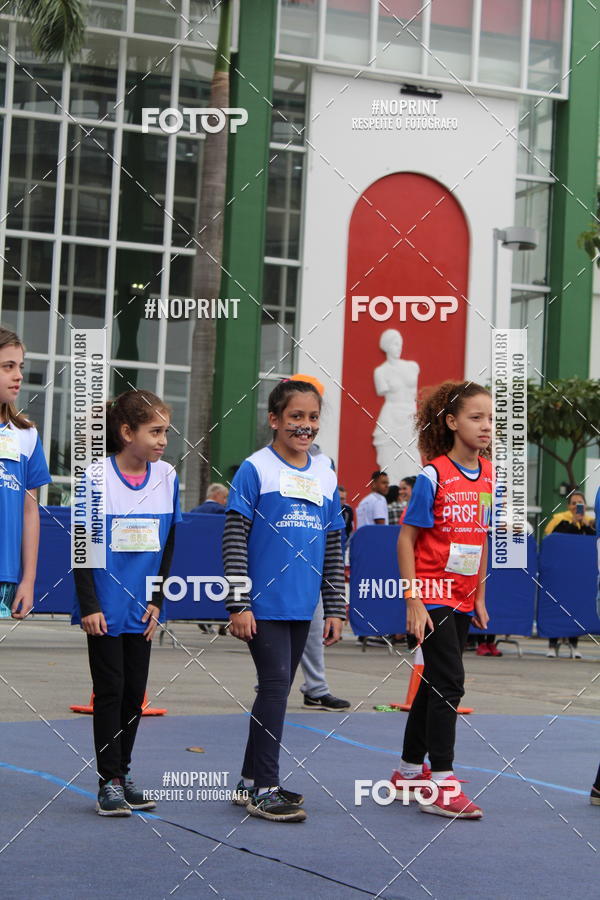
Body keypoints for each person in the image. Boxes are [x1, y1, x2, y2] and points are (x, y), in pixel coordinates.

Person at [223, 378, 346, 822]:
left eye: (312, 417)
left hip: (302, 604)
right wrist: (239, 603)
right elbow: (234, 536)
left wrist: (334, 607)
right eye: (295, 417)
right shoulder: (256, 469)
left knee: (277, 689)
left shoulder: (326, 474)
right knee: (275, 687)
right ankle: (265, 788)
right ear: (274, 420)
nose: (305, 426)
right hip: (263, 604)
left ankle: (248, 781)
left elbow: (334, 544)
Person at [73, 390, 182, 816]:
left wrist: (158, 600)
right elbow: (81, 547)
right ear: (126, 432)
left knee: (135, 693)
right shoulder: (95, 477)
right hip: (104, 604)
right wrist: (88, 605)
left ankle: (124, 773)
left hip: (143, 607)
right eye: (155, 432)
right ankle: (109, 781)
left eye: (165, 432)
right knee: (110, 690)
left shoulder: (167, 477)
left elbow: (169, 542)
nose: (162, 441)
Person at [391, 380, 493, 819]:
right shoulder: (434, 475)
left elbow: (481, 537)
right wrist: (413, 599)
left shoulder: (488, 475)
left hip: (464, 594)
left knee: (435, 680)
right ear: (452, 423)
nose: (486, 426)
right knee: (450, 681)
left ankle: (409, 771)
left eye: (490, 418)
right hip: (432, 592)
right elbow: (406, 539)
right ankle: (442, 781)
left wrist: (482, 594)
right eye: (476, 417)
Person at [0, 326, 51, 620]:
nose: (18, 375)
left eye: (20, 366)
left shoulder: (26, 434)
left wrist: (28, 580)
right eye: (8, 366)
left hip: (5, 576)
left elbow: (30, 512)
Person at [544, 491, 594, 659]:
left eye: (580, 503)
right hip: (560, 575)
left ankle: (574, 645)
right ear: (568, 506)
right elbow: (554, 538)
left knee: (577, 607)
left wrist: (585, 524)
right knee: (557, 606)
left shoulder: (590, 523)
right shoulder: (560, 520)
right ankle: (552, 645)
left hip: (579, 575)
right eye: (573, 503)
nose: (576, 506)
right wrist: (574, 522)